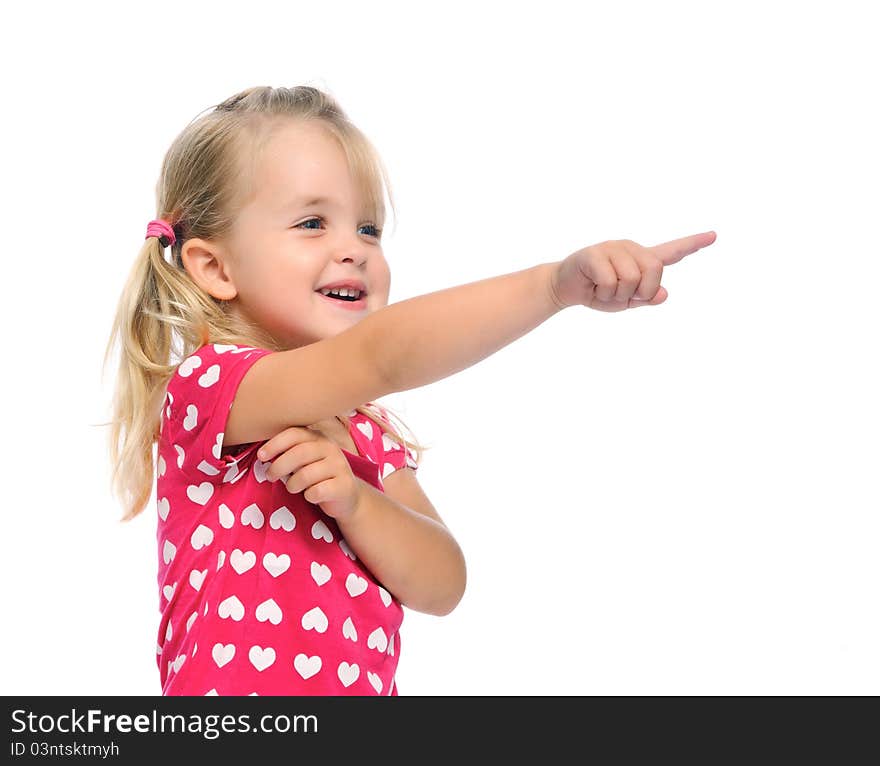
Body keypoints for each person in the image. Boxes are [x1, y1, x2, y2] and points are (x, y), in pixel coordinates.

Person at [103, 84, 717, 696]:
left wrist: (358, 504)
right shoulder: (211, 389)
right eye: (313, 223)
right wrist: (551, 287)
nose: (355, 250)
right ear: (216, 268)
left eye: (368, 228)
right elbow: (382, 355)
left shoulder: (368, 431)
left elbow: (443, 583)